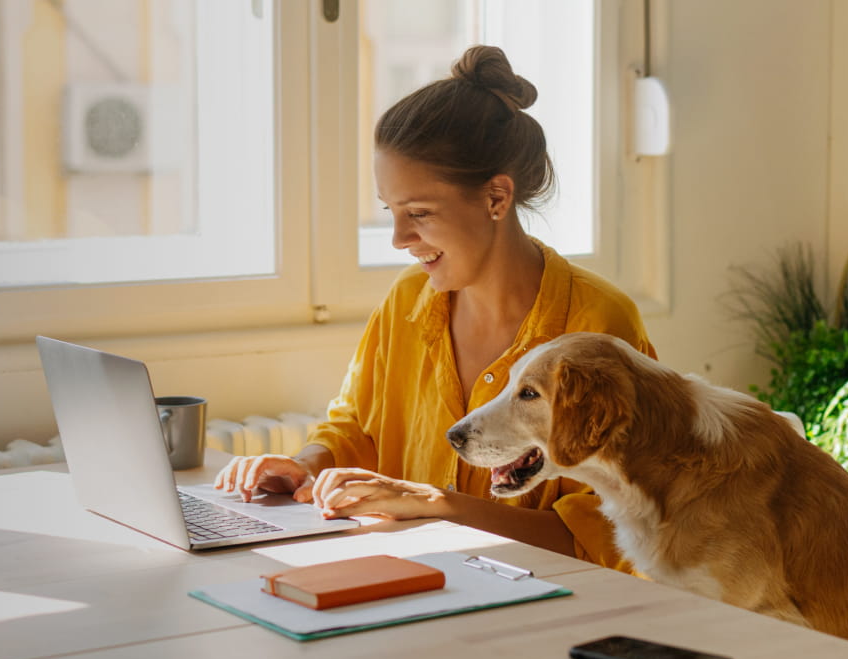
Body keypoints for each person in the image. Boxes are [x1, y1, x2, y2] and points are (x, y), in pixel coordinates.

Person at [214, 44, 654, 571]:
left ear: (496, 197)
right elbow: (357, 429)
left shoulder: (599, 324)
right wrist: (304, 466)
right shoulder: (406, 301)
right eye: (391, 212)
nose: (399, 238)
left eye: (418, 212)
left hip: (549, 611)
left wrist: (443, 509)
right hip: (410, 583)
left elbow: (608, 536)